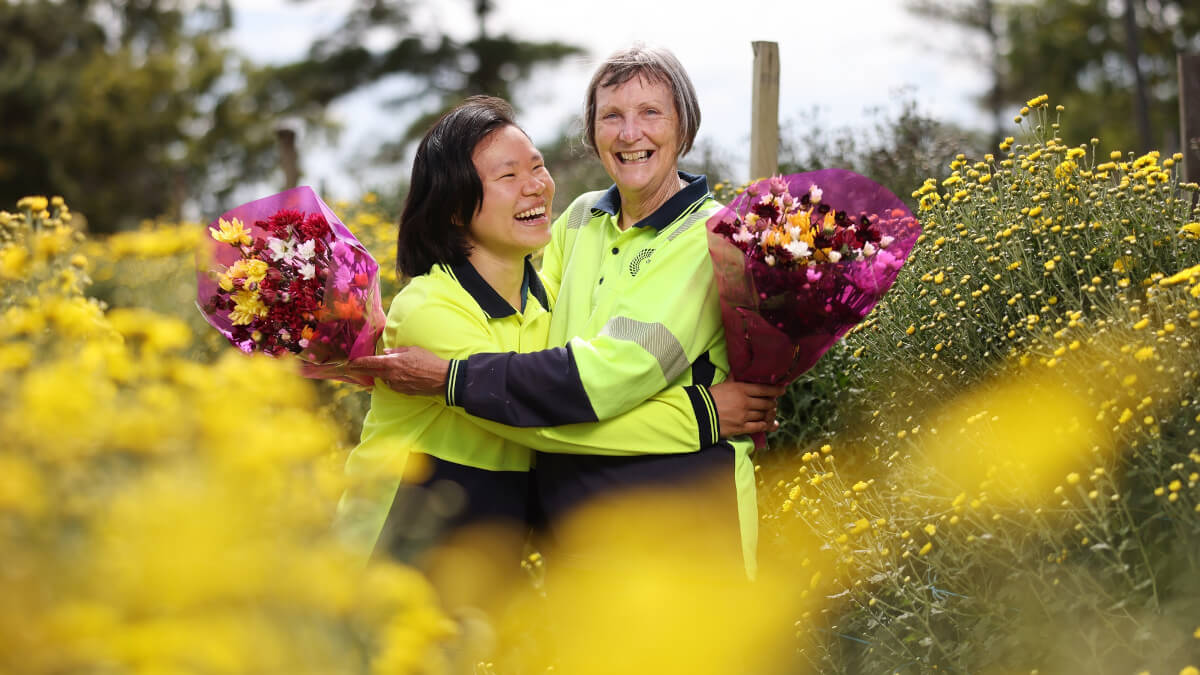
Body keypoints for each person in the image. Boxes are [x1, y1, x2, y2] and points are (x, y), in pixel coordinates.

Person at [337, 95, 775, 626]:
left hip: (485, 561)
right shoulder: (431, 309)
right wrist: (703, 416)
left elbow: (568, 398)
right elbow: (544, 423)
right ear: (455, 206)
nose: (536, 186)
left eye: (538, 166)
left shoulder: (548, 307)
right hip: (397, 547)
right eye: (508, 175)